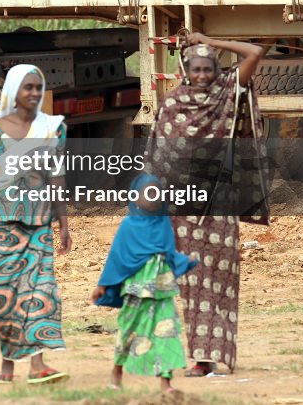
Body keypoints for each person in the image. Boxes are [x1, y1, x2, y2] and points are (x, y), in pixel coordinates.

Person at [147, 32, 268, 377]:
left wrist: (210, 39)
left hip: (219, 207)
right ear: (185, 70)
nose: (202, 75)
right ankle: (201, 358)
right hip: (181, 211)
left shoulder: (226, 93)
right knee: (190, 284)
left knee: (219, 280)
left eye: (208, 68)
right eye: (196, 69)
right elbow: (158, 158)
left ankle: (216, 352)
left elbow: (254, 52)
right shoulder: (171, 104)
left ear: (217, 69)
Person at [0, 64, 71, 385]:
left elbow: (57, 178)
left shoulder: (53, 129)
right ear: (13, 92)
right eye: (28, 88)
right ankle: (7, 367)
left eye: (38, 87)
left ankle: (38, 365)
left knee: (41, 290)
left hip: (38, 223)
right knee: (4, 296)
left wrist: (63, 223)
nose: (35, 93)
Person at [91, 172, 198, 393]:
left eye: (156, 193)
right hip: (135, 289)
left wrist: (184, 260)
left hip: (162, 289)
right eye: (146, 193)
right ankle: (117, 371)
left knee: (166, 331)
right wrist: (102, 285)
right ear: (135, 196)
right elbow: (117, 258)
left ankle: (166, 382)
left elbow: (168, 253)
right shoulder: (128, 225)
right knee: (128, 330)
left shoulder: (163, 223)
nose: (152, 197)